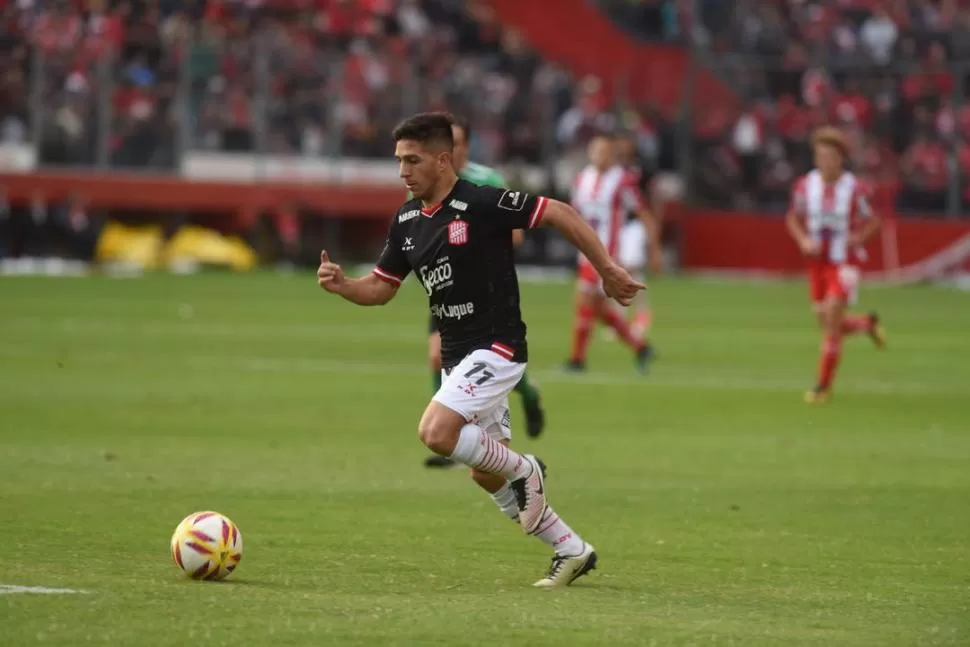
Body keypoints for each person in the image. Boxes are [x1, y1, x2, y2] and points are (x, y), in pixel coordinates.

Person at [317, 112, 645, 586]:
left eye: (412, 160)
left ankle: (527, 469)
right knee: (485, 474)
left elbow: (560, 212)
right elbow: (381, 288)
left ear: (443, 159)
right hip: (459, 358)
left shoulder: (481, 202)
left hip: (499, 347)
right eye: (399, 161)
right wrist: (345, 285)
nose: (402, 171)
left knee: (436, 432)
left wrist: (608, 269)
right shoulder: (408, 220)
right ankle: (571, 549)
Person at [423, 117, 546, 470]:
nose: (450, 150)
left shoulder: (488, 181)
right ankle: (454, 433)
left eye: (457, 143)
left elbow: (517, 234)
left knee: (485, 359)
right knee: (437, 358)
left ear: (466, 147)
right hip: (446, 290)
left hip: (485, 292)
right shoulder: (424, 182)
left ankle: (526, 392)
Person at [786, 126, 886, 404]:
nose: (825, 162)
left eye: (831, 156)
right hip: (816, 262)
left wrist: (858, 238)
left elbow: (875, 221)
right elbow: (793, 218)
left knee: (831, 317)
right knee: (826, 320)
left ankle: (823, 387)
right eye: (820, 156)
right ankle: (866, 324)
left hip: (845, 261)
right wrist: (803, 240)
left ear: (841, 158)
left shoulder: (855, 188)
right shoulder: (806, 186)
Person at [565, 132, 657, 373]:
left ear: (612, 155)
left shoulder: (622, 181)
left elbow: (642, 211)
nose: (600, 157)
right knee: (598, 309)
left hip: (607, 252)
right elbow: (574, 215)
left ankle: (577, 360)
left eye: (605, 152)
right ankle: (641, 347)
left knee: (584, 301)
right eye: (596, 151)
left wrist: (654, 247)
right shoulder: (581, 179)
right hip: (584, 250)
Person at [615, 132, 663, 341]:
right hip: (616, 224)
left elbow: (651, 196)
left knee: (631, 267)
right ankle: (620, 319)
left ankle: (641, 314)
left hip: (634, 223)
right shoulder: (614, 170)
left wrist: (654, 228)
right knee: (617, 268)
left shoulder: (641, 170)